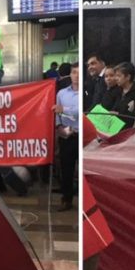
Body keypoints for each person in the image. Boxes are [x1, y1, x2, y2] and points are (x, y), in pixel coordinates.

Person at [54, 65, 80, 211]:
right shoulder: (62, 93)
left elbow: (78, 111)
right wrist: (59, 127)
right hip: (66, 135)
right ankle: (66, 199)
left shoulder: (86, 92)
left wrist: (64, 110)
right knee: (66, 169)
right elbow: (57, 112)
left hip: (81, 135)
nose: (76, 76)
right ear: (70, 74)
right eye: (74, 72)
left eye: (78, 73)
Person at [110, 62, 135, 128]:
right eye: (115, 76)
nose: (116, 78)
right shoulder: (117, 90)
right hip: (115, 127)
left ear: (128, 77)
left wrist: (119, 115)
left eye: (118, 76)